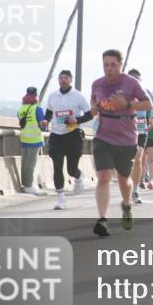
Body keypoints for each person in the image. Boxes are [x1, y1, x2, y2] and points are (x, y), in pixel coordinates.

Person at [89, 49, 153, 237]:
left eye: (113, 65)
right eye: (106, 65)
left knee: (124, 179)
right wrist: (93, 108)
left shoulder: (131, 83)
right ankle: (102, 220)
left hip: (126, 139)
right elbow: (93, 104)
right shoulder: (97, 84)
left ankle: (126, 205)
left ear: (120, 65)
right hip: (103, 136)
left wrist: (127, 105)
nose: (109, 68)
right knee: (104, 176)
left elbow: (148, 104)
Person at [44, 70, 92, 209]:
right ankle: (61, 200)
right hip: (56, 135)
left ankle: (78, 176)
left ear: (70, 80)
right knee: (57, 166)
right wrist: (45, 121)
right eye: (61, 78)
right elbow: (48, 113)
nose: (63, 80)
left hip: (73, 135)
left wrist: (76, 119)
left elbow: (89, 115)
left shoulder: (78, 96)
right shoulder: (53, 96)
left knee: (71, 169)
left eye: (66, 78)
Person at [126, 68, 153, 204]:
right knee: (127, 161)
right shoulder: (122, 91)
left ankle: (135, 191)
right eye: (131, 78)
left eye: (137, 78)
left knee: (138, 159)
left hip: (141, 130)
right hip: (125, 129)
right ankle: (127, 186)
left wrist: (152, 118)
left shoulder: (145, 90)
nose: (134, 80)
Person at [17, 86, 48, 195]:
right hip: (34, 139)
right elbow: (43, 126)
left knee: (25, 162)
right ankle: (29, 185)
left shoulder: (20, 109)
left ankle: (24, 184)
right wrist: (45, 125)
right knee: (31, 163)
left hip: (24, 138)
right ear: (36, 95)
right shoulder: (37, 108)